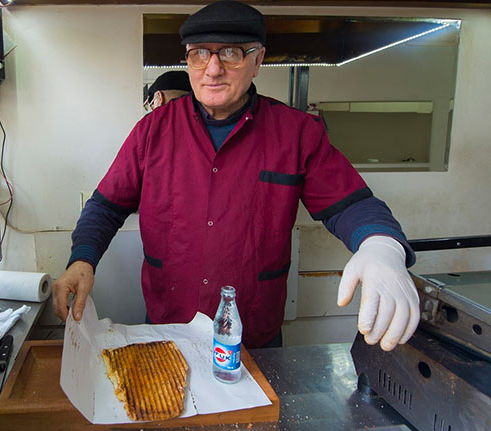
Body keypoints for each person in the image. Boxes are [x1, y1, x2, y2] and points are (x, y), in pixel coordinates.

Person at [52, 0, 419, 351]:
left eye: (231, 53)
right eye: (199, 54)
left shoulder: (296, 133)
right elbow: (106, 206)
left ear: (257, 60)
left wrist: (381, 245)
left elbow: (350, 204)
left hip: (253, 336)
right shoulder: (152, 132)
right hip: (168, 325)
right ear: (188, 60)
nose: (213, 69)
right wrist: (82, 259)